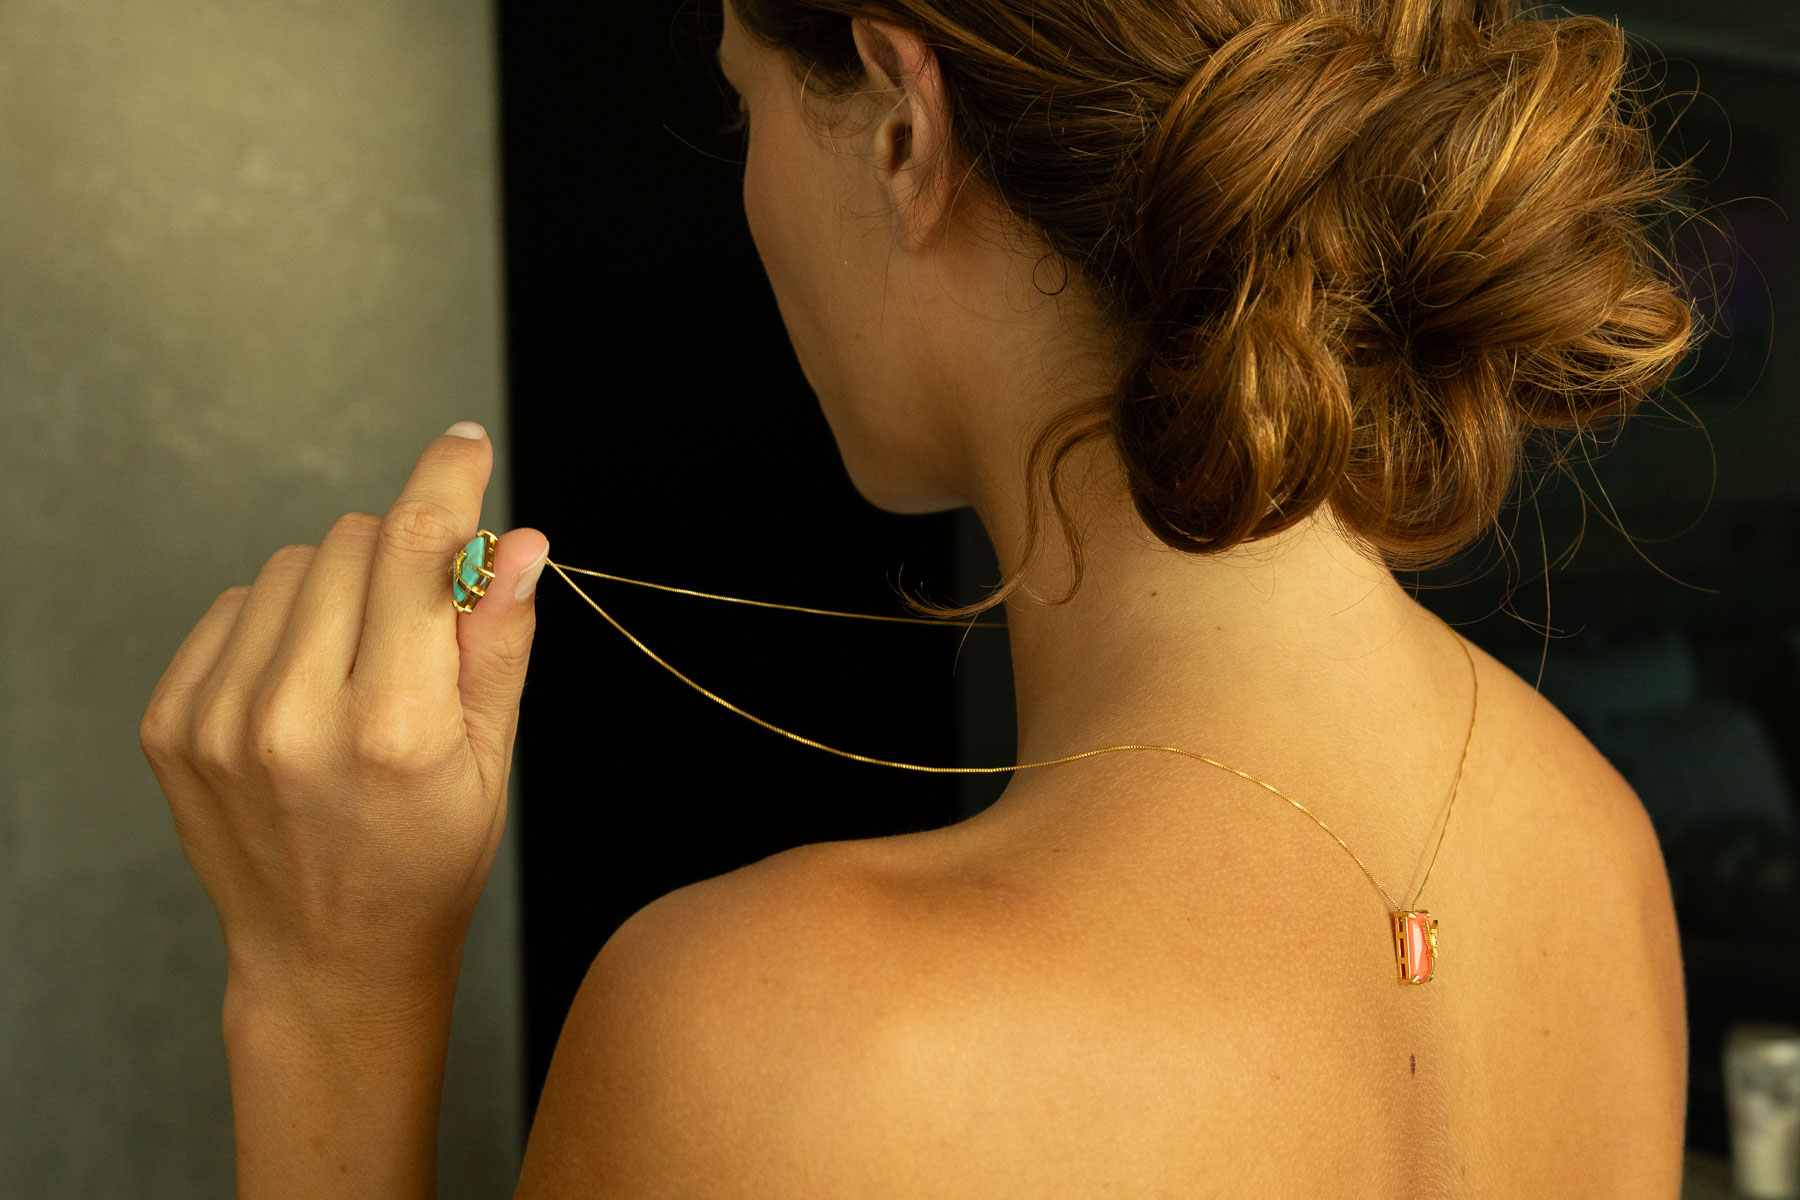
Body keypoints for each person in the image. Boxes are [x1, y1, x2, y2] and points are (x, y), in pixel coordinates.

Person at [141, 0, 1692, 1194]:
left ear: (901, 126)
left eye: (741, 99)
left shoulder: (786, 1049)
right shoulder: (1598, 840)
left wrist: (328, 1006)